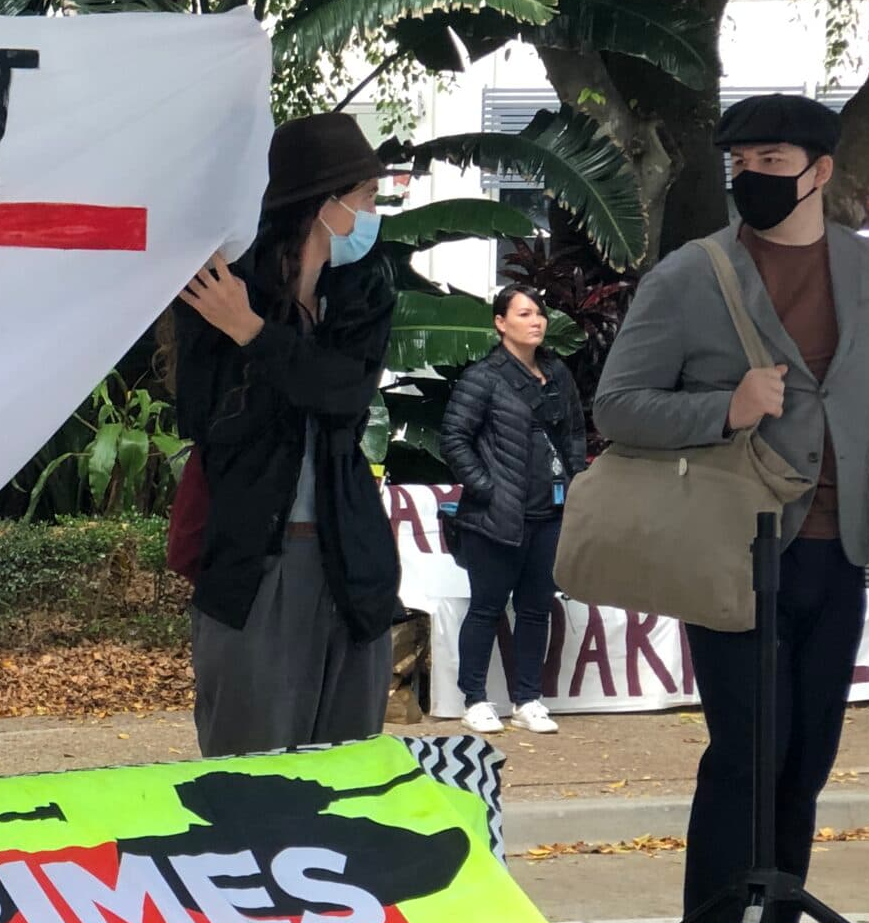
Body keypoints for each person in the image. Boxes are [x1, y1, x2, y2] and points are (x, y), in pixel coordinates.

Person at [594, 94, 869, 923]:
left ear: (820, 168)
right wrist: (725, 408)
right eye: (740, 159)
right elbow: (620, 406)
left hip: (835, 555)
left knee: (806, 764)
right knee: (745, 760)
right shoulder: (692, 275)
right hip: (735, 555)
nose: (752, 174)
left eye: (772, 156)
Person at [174, 111, 400, 756]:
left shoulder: (364, 287)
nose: (371, 213)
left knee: (348, 771)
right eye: (364, 198)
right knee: (252, 767)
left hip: (350, 558)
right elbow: (209, 420)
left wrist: (254, 336)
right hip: (255, 559)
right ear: (322, 202)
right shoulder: (221, 284)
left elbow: (345, 396)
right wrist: (256, 330)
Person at [439, 286, 587, 736]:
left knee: (536, 608)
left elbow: (576, 433)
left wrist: (576, 481)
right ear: (501, 323)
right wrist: (486, 486)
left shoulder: (557, 374)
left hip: (551, 512)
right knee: (486, 607)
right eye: (524, 314)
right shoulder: (484, 377)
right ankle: (474, 698)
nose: (536, 321)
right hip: (495, 516)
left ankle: (528, 698)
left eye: (540, 313)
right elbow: (454, 439)